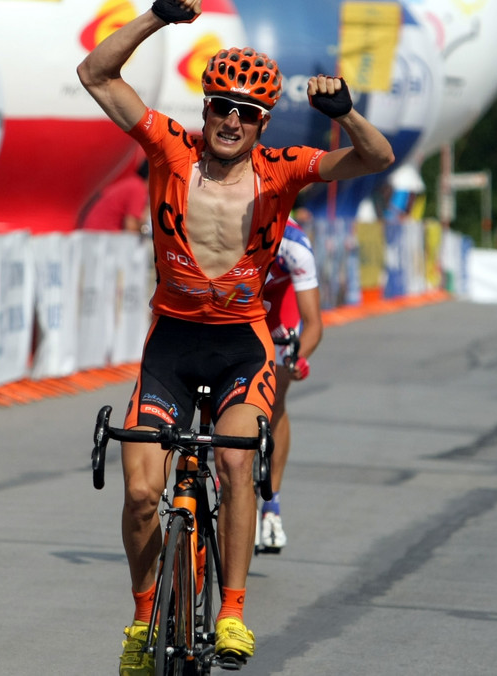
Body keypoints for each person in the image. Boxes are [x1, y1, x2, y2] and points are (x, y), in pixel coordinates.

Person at [77, 3, 395, 672]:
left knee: (236, 462)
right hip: (172, 341)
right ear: (206, 108)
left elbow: (376, 156)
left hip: (240, 349)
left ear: (264, 122)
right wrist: (156, 19)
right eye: (221, 105)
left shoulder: (283, 169)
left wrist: (343, 110)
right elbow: (96, 73)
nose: (231, 119)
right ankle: (142, 622)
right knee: (140, 494)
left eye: (247, 111)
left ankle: (232, 612)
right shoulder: (169, 146)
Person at [257, 217, 322, 553]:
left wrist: (298, 359)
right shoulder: (225, 224)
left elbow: (313, 324)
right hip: (236, 310)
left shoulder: (294, 244)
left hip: (279, 314)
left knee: (274, 394)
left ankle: (271, 506)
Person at [79, 159, 150, 233]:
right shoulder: (138, 189)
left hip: (94, 233)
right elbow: (131, 227)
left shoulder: (133, 183)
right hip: (101, 236)